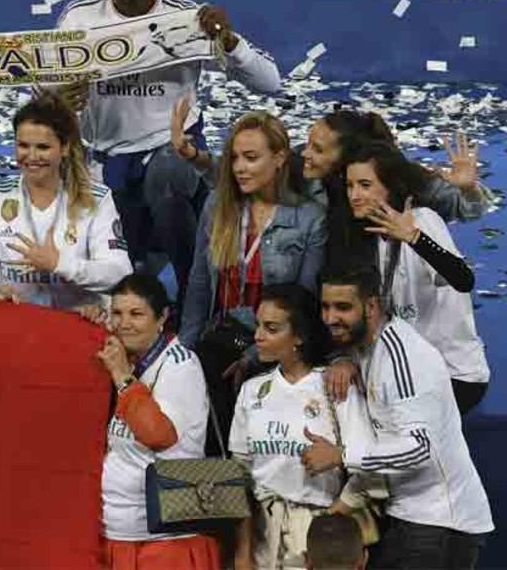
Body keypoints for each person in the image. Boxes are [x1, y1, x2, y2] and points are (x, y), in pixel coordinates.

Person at [56, 0, 281, 306]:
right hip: (107, 156)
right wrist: (59, 99)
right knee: (123, 265)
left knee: (166, 175)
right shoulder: (80, 19)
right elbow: (42, 91)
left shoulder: (188, 19)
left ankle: (197, 296)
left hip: (174, 147)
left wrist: (228, 42)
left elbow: (270, 82)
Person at [304, 266, 493, 570]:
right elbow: (386, 448)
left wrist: (340, 455)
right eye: (325, 306)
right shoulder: (365, 352)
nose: (330, 318)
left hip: (440, 523)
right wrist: (345, 503)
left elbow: (419, 448)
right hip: (411, 517)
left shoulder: (403, 357)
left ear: (372, 307)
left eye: (343, 307)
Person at [331, 141, 489, 414]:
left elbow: (463, 280)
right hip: (399, 371)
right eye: (350, 185)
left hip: (452, 374)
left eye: (365, 185)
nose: (354, 195)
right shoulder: (367, 239)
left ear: (390, 187)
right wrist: (346, 359)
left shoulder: (421, 220)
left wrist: (415, 238)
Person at [229, 284, 375, 570]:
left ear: (299, 336)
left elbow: (370, 467)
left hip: (320, 537)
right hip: (262, 536)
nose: (258, 336)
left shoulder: (336, 386)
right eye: (258, 325)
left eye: (271, 328)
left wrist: (331, 518)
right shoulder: (252, 390)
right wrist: (243, 552)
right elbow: (239, 478)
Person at [94, 273, 216, 569]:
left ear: (162, 317)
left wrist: (123, 379)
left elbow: (158, 434)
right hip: (117, 533)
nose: (124, 323)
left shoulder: (180, 364)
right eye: (117, 313)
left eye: (136, 314)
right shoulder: (123, 359)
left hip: (165, 542)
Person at [0, 92, 131, 309]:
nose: (32, 156)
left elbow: (120, 273)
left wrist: (60, 265)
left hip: (78, 325)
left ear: (64, 148)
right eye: (23, 146)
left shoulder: (96, 199)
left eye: (43, 147)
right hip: (16, 326)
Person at [180, 111, 326, 348]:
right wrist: (185, 351)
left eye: (250, 158)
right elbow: (200, 286)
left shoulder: (310, 219)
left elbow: (303, 305)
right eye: (235, 158)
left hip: (276, 349)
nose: (239, 167)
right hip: (220, 338)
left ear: (279, 158)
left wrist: (254, 357)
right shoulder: (217, 205)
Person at [300, 110, 490, 221]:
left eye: (317, 149)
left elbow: (470, 210)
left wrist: (468, 189)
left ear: (348, 158)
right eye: (308, 144)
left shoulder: (411, 182)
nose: (304, 153)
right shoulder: (297, 171)